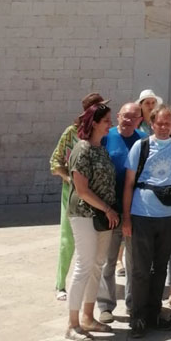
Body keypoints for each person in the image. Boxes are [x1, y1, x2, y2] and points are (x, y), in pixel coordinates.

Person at [122, 104, 171, 336]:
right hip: (142, 214)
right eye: (159, 123)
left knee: (160, 267)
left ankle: (153, 313)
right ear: (151, 124)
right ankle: (138, 316)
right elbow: (129, 184)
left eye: (167, 123)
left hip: (169, 216)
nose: (163, 127)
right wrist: (127, 218)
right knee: (140, 268)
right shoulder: (140, 147)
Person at [64, 100, 119, 340]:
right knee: (84, 266)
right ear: (94, 123)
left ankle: (88, 316)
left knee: (98, 265)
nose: (111, 124)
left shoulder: (101, 148)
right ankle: (72, 323)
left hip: (103, 217)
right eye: (106, 121)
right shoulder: (83, 149)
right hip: (85, 215)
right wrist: (107, 208)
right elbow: (82, 189)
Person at [49, 90, 104, 300]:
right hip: (72, 193)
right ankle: (60, 284)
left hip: (97, 193)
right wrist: (71, 179)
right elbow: (55, 162)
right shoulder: (72, 132)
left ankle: (91, 286)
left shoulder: (102, 132)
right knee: (68, 239)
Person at [97, 100, 143, 323]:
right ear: (118, 117)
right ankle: (105, 306)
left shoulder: (144, 141)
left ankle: (133, 305)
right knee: (108, 259)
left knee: (134, 261)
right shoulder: (107, 137)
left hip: (137, 211)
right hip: (110, 210)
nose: (128, 120)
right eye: (125, 115)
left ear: (140, 120)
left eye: (134, 117)